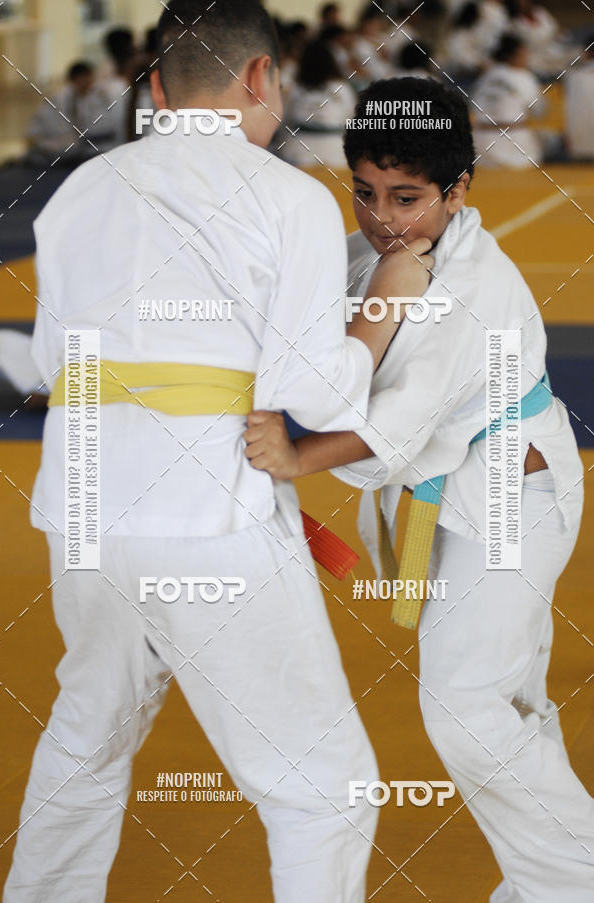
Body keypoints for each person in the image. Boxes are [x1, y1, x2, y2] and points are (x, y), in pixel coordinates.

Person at [3, 3, 434, 901]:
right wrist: (389, 292)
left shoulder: (82, 188)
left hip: (84, 509)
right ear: (262, 80)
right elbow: (312, 392)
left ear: (155, 89)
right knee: (325, 790)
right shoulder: (285, 197)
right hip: (210, 515)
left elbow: (48, 364)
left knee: (85, 740)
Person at [244, 76, 594, 903]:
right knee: (503, 700)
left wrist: (294, 459)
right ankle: (548, 879)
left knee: (463, 704)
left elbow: (393, 424)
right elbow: (315, 364)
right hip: (458, 498)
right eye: (365, 193)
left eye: (407, 197)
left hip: (512, 498)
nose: (382, 217)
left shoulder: (473, 285)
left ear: (458, 190)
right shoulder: (377, 258)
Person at [280, 38, 357, 168]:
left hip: (298, 150)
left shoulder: (295, 88)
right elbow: (351, 119)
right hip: (335, 152)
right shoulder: (342, 88)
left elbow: (284, 119)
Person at [472, 33, 543, 168]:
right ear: (516, 55)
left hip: (480, 148)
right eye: (525, 53)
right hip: (513, 149)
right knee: (550, 140)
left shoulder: (484, 77)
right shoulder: (524, 77)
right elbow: (539, 112)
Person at [26, 61, 117, 164]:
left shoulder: (85, 95)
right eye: (88, 78)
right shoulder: (61, 97)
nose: (91, 82)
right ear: (78, 78)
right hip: (51, 143)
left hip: (66, 143)